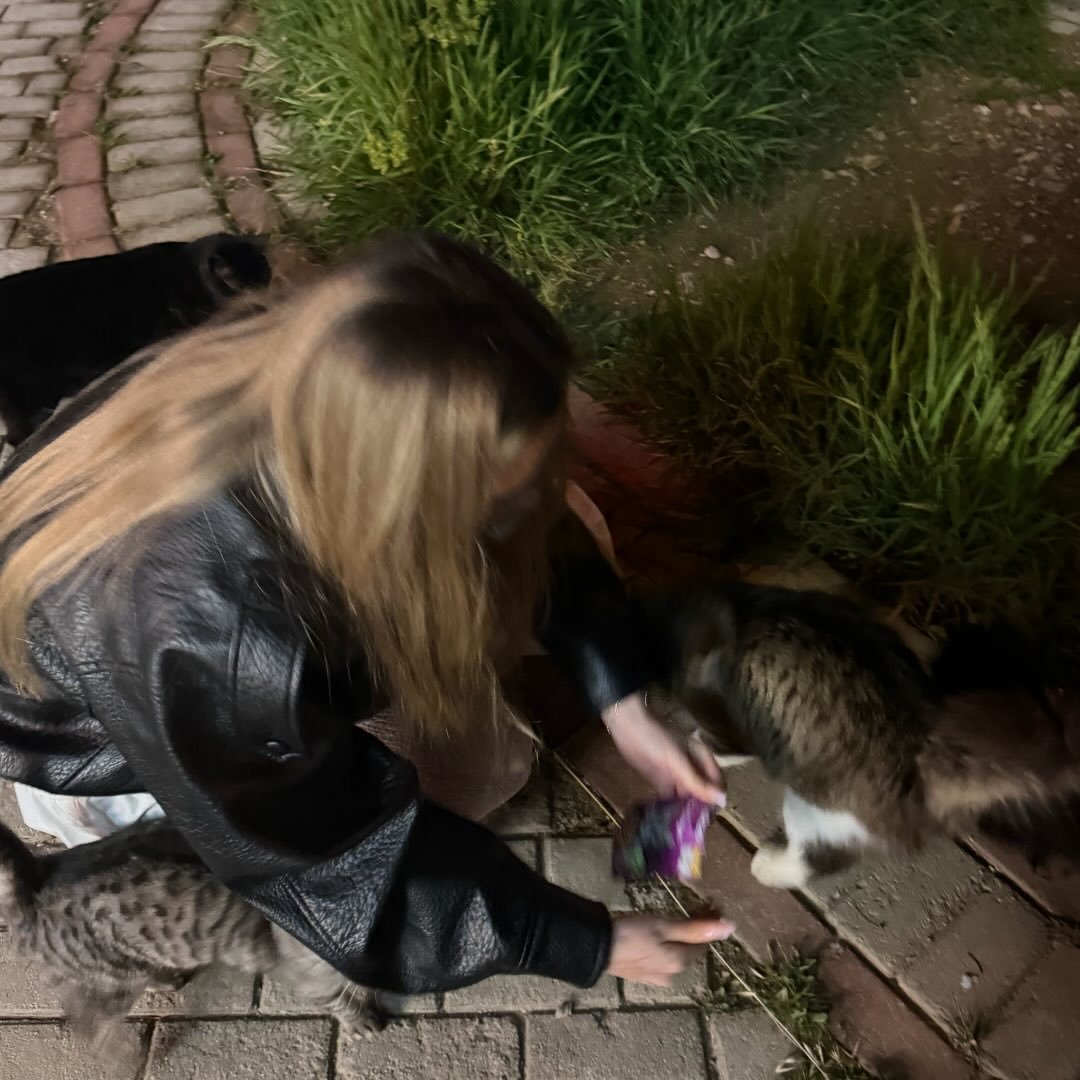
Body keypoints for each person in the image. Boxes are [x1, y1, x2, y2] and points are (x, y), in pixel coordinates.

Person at [0, 233, 732, 996]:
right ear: (384, 498)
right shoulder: (204, 640)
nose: (523, 511)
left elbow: (534, 528)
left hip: (175, 663)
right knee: (483, 767)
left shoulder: (314, 375)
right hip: (125, 724)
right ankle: (113, 820)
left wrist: (622, 699)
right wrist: (578, 939)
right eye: (493, 504)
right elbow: (335, 868)